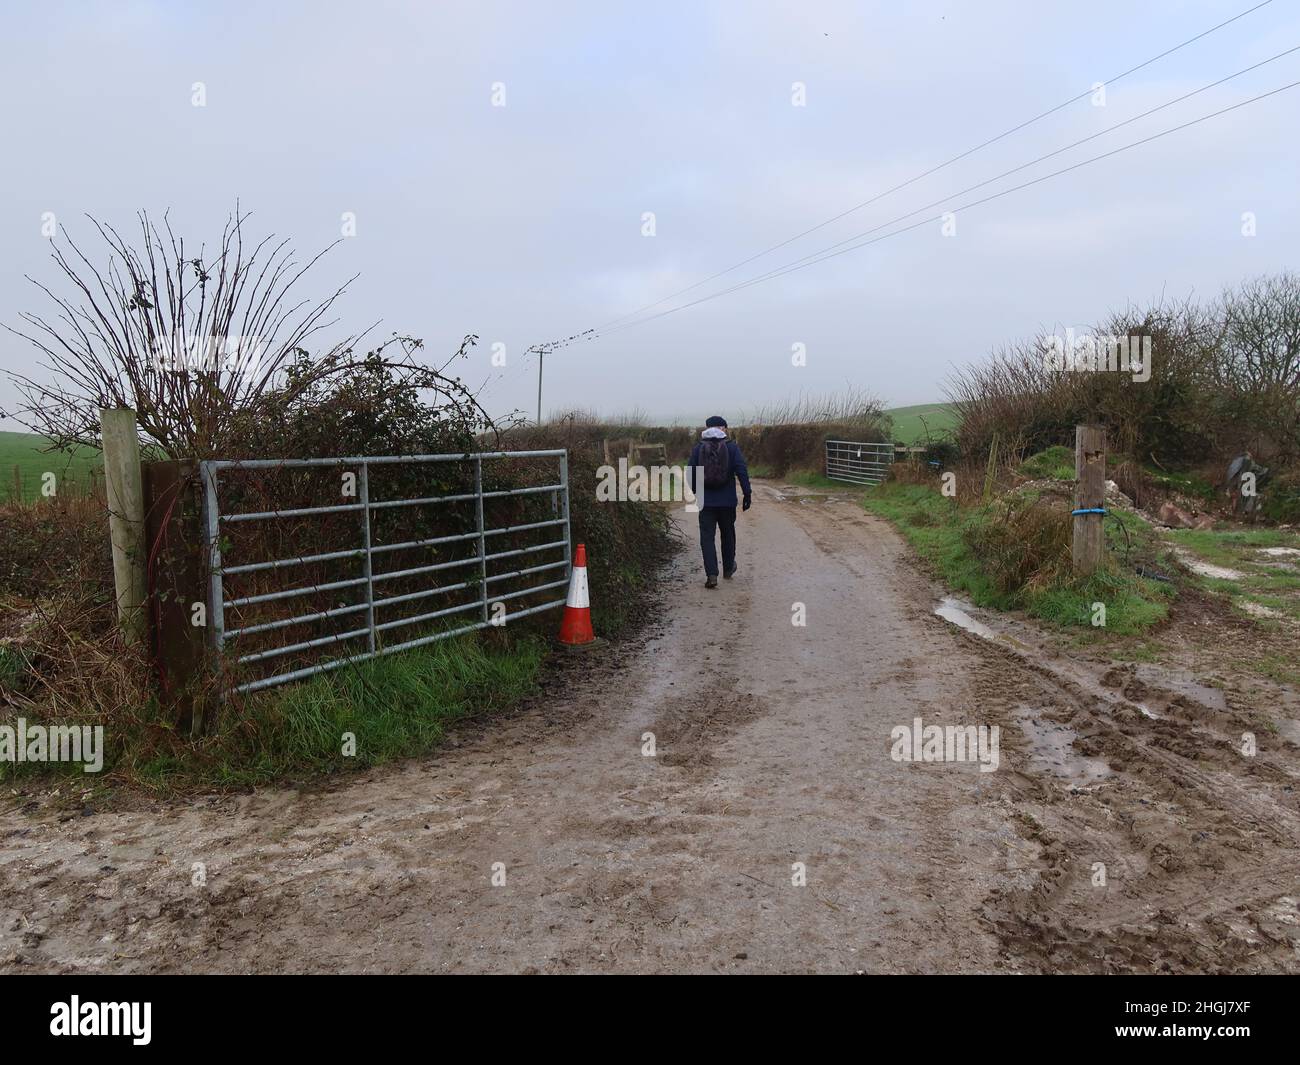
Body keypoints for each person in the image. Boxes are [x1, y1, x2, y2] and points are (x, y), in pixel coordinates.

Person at [687, 416, 752, 589]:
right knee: (728, 534)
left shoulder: (698, 448)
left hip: (706, 502)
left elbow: (690, 474)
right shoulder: (732, 448)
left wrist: (696, 491)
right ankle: (728, 568)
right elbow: (741, 470)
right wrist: (747, 493)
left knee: (707, 537)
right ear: (724, 428)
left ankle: (712, 574)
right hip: (727, 501)